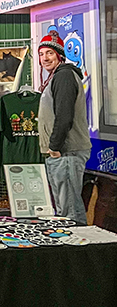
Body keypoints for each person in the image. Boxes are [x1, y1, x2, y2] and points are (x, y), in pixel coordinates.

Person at [37, 30, 91, 224]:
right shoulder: (57, 76)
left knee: (68, 209)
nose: (45, 58)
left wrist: (54, 146)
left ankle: (74, 248)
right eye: (41, 54)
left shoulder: (64, 76)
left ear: (59, 55)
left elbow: (64, 115)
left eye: (49, 53)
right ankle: (79, 245)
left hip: (66, 151)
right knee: (69, 205)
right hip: (64, 151)